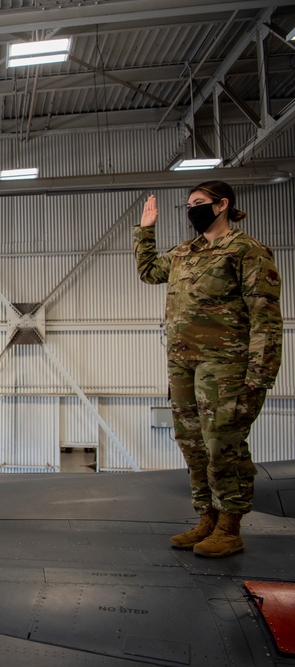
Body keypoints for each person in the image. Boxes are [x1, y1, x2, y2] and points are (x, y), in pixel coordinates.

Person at [134, 181, 282, 558]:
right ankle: (207, 519)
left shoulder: (247, 250)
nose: (192, 210)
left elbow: (265, 317)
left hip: (227, 367)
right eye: (188, 205)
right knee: (192, 444)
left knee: (222, 446)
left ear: (222, 205)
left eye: (199, 203)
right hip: (183, 366)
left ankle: (230, 528)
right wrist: (145, 231)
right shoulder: (186, 252)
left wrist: (259, 374)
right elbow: (150, 272)